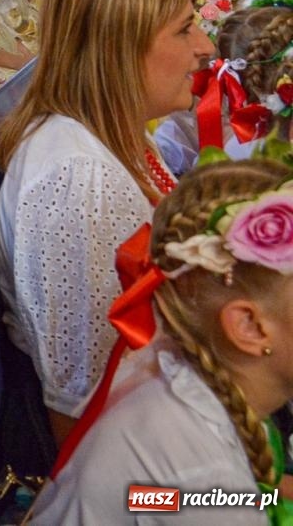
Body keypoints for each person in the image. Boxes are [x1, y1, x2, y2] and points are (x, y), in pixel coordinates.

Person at [0, 0, 210, 446]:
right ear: (121, 48)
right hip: (136, 466)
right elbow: (86, 406)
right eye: (184, 29)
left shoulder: (111, 133)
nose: (205, 46)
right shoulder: (78, 181)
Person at [35, 161, 293, 522]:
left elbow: (151, 500)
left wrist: (269, 493)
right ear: (248, 326)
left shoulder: (173, 372)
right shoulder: (196, 470)